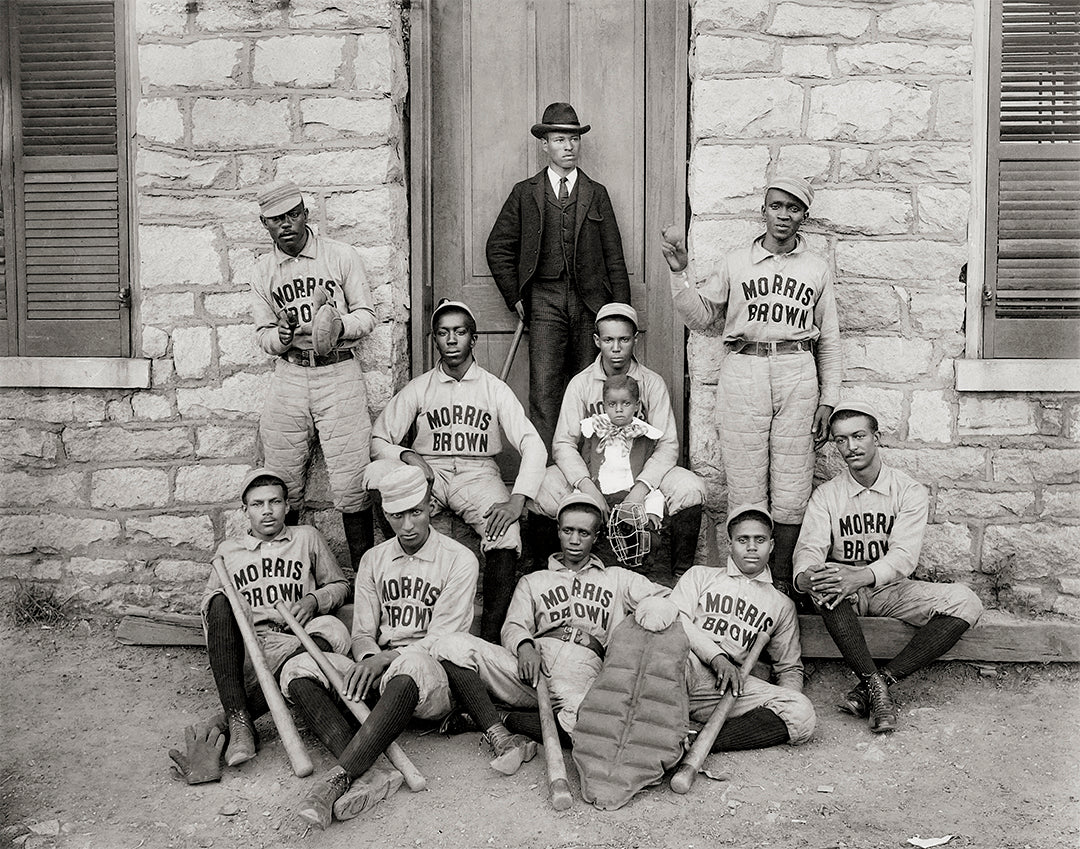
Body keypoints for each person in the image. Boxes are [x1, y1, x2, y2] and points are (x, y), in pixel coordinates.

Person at [660, 176, 841, 595]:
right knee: (745, 484)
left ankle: (783, 585)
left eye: (793, 208)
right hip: (745, 368)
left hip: (797, 368)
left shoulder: (815, 269)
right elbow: (701, 318)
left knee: (794, 487)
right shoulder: (736, 262)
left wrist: (828, 399)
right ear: (763, 210)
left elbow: (829, 339)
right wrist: (679, 272)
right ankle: (746, 583)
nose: (784, 215)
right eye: (776, 206)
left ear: (804, 216)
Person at [278, 464, 479, 829]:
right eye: (397, 515)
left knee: (410, 664)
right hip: (382, 675)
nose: (408, 525)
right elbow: (362, 633)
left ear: (431, 506)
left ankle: (338, 778)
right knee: (300, 667)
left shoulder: (459, 559)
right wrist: (369, 658)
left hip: (431, 680)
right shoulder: (374, 559)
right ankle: (372, 770)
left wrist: (386, 659)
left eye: (416, 512)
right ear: (386, 514)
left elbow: (443, 640)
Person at [429, 490, 670, 773]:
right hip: (530, 668)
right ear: (558, 531)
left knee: (594, 727)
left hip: (582, 670)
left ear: (596, 537)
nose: (575, 540)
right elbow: (514, 625)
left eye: (584, 533)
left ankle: (499, 717)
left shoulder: (618, 579)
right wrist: (524, 645)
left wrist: (641, 625)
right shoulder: (534, 581)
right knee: (451, 645)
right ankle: (497, 732)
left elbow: (663, 600)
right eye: (568, 531)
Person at [793, 401, 984, 733]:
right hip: (843, 592)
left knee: (966, 602)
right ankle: (877, 690)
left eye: (859, 436)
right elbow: (809, 551)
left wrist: (862, 576)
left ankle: (878, 683)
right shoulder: (827, 495)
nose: (851, 447)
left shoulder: (907, 490)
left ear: (876, 438)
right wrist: (807, 577)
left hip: (889, 589)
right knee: (825, 585)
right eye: (841, 440)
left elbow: (904, 557)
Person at [363, 300, 547, 642]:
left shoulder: (493, 388)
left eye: (459, 332)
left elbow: (533, 444)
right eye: (443, 332)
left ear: (473, 339)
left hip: (478, 473)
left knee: (505, 533)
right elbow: (378, 440)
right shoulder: (420, 387)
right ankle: (400, 569)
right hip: (429, 470)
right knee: (375, 475)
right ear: (435, 338)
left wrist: (517, 500)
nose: (451, 340)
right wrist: (407, 455)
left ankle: (490, 638)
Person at [486, 102, 631, 451]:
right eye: (559, 139)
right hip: (544, 302)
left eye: (574, 139)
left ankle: (588, 468)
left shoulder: (596, 193)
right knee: (545, 390)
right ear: (545, 145)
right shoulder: (525, 193)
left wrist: (621, 314)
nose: (568, 147)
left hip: (589, 304)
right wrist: (514, 295)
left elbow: (614, 257)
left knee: (591, 388)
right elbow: (498, 247)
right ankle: (546, 472)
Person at [250, 180, 377, 567]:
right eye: (277, 219)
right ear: (265, 224)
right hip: (290, 373)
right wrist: (280, 336)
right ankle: (283, 576)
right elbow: (262, 334)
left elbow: (367, 316)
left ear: (306, 213)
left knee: (353, 480)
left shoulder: (340, 255)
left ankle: (365, 580)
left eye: (293, 215)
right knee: (280, 480)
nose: (286, 224)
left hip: (338, 370)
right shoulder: (263, 271)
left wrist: (338, 325)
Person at [196, 468, 351, 770]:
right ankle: (239, 720)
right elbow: (209, 609)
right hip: (249, 648)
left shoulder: (306, 538)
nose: (267, 511)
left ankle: (239, 716)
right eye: (257, 504)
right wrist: (236, 606)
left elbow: (340, 585)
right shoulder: (228, 551)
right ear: (245, 510)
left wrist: (314, 599)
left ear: (287, 506)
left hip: (297, 643)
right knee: (220, 600)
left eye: (274, 502)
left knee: (334, 628)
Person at [533, 303, 706, 575]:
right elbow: (564, 444)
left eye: (624, 339)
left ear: (635, 339)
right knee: (542, 486)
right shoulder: (581, 383)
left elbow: (667, 445)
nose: (616, 348)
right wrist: (586, 485)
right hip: (592, 473)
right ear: (597, 341)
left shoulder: (651, 383)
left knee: (690, 487)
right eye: (608, 340)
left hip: (642, 472)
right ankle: (544, 572)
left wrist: (641, 489)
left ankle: (680, 574)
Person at [671, 504, 816, 751]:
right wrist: (716, 657)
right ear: (730, 544)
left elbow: (789, 668)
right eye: (742, 540)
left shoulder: (781, 604)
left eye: (760, 540)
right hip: (685, 666)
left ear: (771, 545)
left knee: (801, 711)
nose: (751, 547)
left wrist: (782, 702)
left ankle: (700, 742)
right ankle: (662, 731)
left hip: (728, 687)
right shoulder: (700, 576)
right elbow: (675, 619)